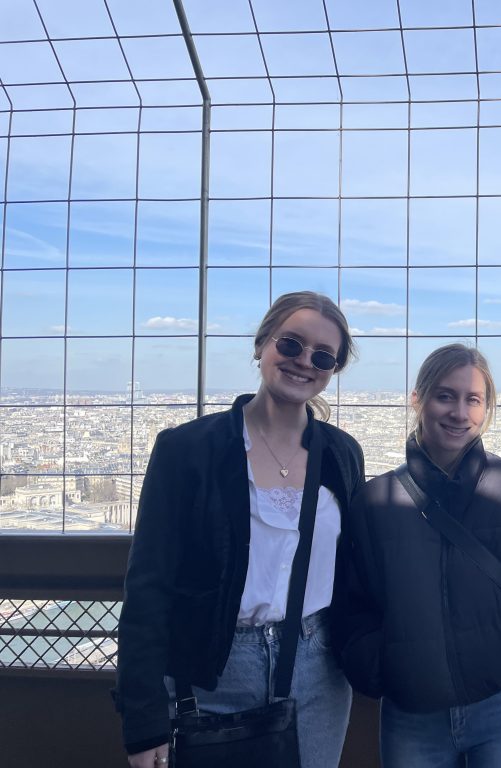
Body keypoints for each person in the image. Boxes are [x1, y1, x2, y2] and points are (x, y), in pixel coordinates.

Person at [116, 291, 365, 768]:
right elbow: (148, 586)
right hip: (213, 669)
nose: (303, 362)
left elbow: (356, 568)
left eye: (322, 356)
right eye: (290, 344)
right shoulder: (188, 450)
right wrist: (142, 716)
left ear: (332, 371)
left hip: (318, 668)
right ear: (261, 345)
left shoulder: (341, 454)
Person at [336, 343, 501, 768]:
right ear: (418, 399)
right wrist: (382, 666)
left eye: (473, 400)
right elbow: (353, 605)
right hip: (412, 707)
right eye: (445, 396)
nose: (459, 413)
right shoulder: (374, 503)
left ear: (487, 409)